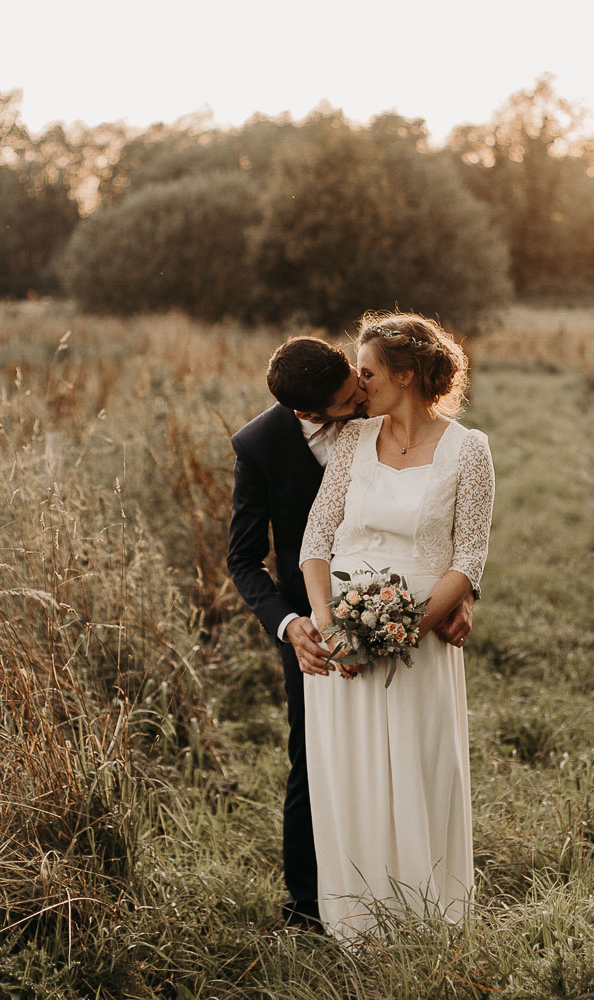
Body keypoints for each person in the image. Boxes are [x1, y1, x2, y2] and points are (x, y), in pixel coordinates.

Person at [227, 335, 475, 933]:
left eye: (360, 382)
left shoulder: (372, 401)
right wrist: (296, 626)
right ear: (311, 412)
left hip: (411, 608)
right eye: (348, 397)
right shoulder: (261, 445)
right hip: (311, 622)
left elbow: (450, 521)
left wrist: (460, 596)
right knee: (313, 761)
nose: (361, 394)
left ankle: (410, 884)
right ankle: (310, 904)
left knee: (411, 752)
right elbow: (243, 559)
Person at [298, 312, 495, 939]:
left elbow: (468, 560)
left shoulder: (470, 450)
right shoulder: (351, 440)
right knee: (351, 773)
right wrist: (332, 627)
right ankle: (357, 921)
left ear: (405, 375)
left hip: (421, 641)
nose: (359, 384)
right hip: (342, 643)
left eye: (369, 372)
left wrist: (407, 627)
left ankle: (425, 919)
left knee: (419, 766)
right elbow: (314, 541)